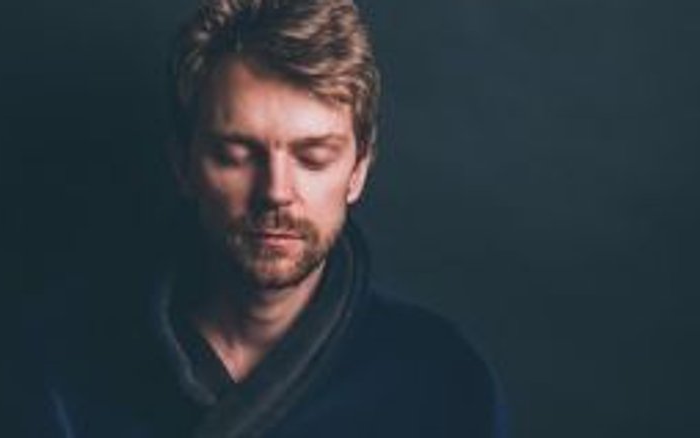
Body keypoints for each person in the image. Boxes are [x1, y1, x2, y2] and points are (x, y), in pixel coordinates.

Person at [34, 0, 506, 436]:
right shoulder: (64, 367)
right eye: (236, 156)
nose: (276, 192)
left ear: (358, 169)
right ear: (182, 164)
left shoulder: (441, 380)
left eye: (314, 158)